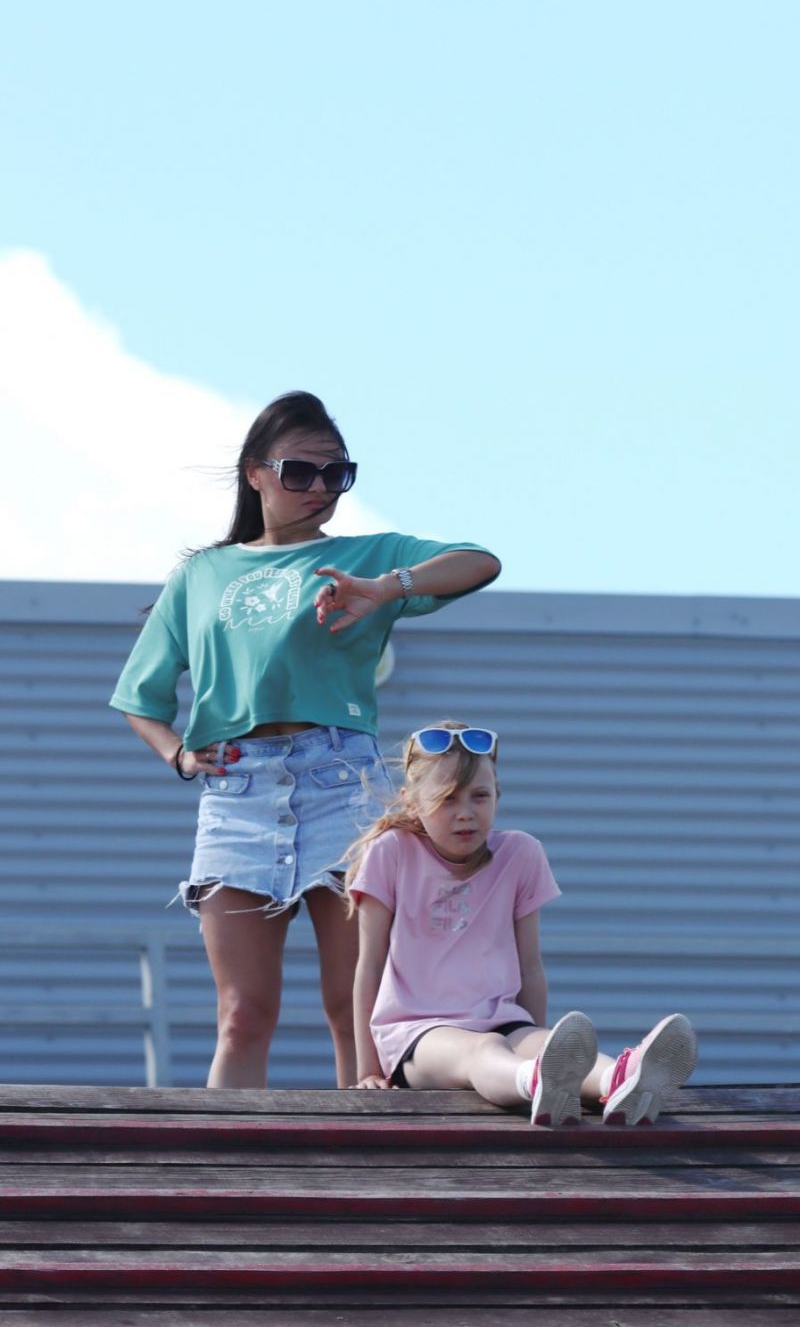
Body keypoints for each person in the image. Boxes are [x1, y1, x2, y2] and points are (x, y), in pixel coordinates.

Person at [110, 392, 500, 1090]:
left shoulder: (364, 557)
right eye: (299, 471)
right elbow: (140, 698)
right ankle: (227, 1153)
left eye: (336, 474)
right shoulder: (200, 575)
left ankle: (368, 1145)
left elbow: (479, 562)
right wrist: (178, 753)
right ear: (255, 473)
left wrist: (387, 588)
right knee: (242, 1014)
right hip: (236, 793)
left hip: (340, 785)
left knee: (354, 1001)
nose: (320, 488)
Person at [347, 722, 698, 1125]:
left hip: (503, 1018)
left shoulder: (520, 853)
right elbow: (369, 965)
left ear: (497, 795)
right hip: (417, 1034)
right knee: (483, 1050)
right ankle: (533, 1080)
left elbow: (530, 965)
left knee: (539, 1042)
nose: (465, 813)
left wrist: (544, 1044)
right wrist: (368, 1070)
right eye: (446, 799)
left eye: (480, 796)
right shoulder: (391, 852)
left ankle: (619, 1080)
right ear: (412, 803)